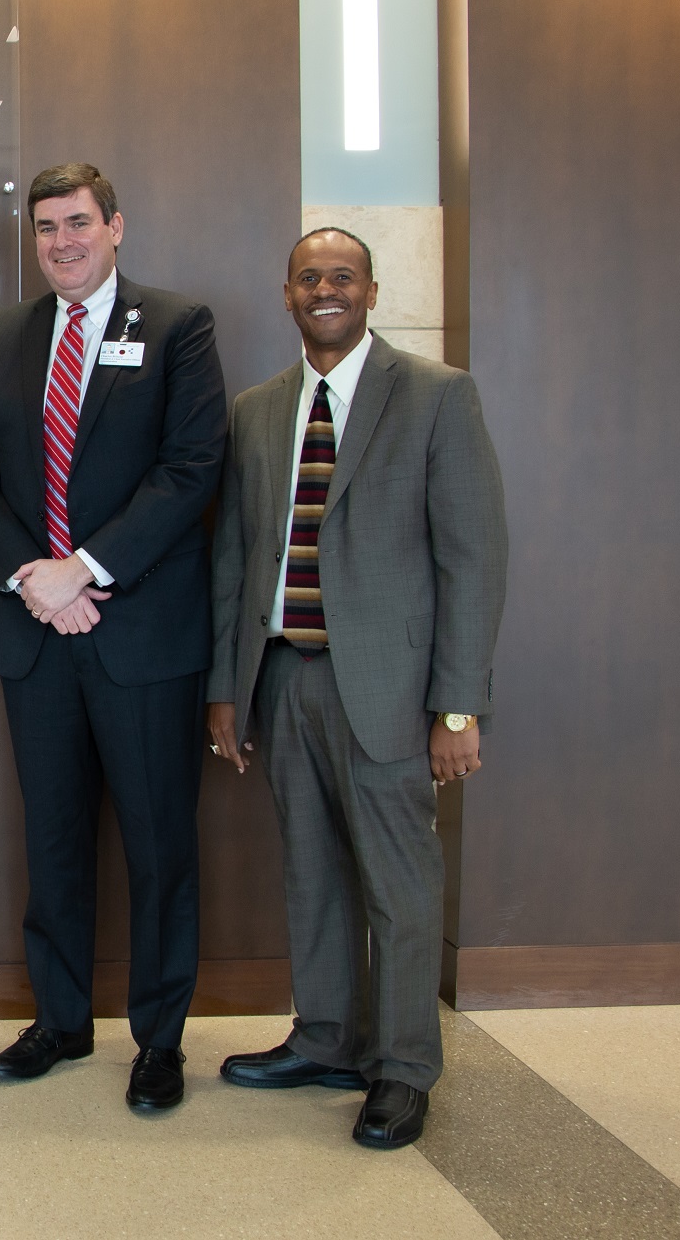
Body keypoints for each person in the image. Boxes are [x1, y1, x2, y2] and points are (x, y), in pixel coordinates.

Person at [205, 228, 507, 1149]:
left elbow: (474, 557)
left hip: (391, 687)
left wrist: (457, 706)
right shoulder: (258, 410)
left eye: (343, 276)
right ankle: (328, 1037)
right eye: (309, 278)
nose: (325, 289)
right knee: (313, 873)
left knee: (399, 884)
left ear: (372, 292)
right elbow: (234, 558)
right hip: (284, 677)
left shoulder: (435, 396)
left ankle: (404, 1066)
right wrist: (227, 687)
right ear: (286, 294)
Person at [0, 163, 226, 1111]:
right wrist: (38, 578)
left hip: (141, 634)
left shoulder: (180, 327)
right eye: (46, 229)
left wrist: (88, 568)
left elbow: (192, 470)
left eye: (77, 224)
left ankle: (159, 1040)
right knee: (55, 838)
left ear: (116, 226)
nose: (61, 242)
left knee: (158, 845)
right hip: (37, 633)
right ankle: (61, 1019)